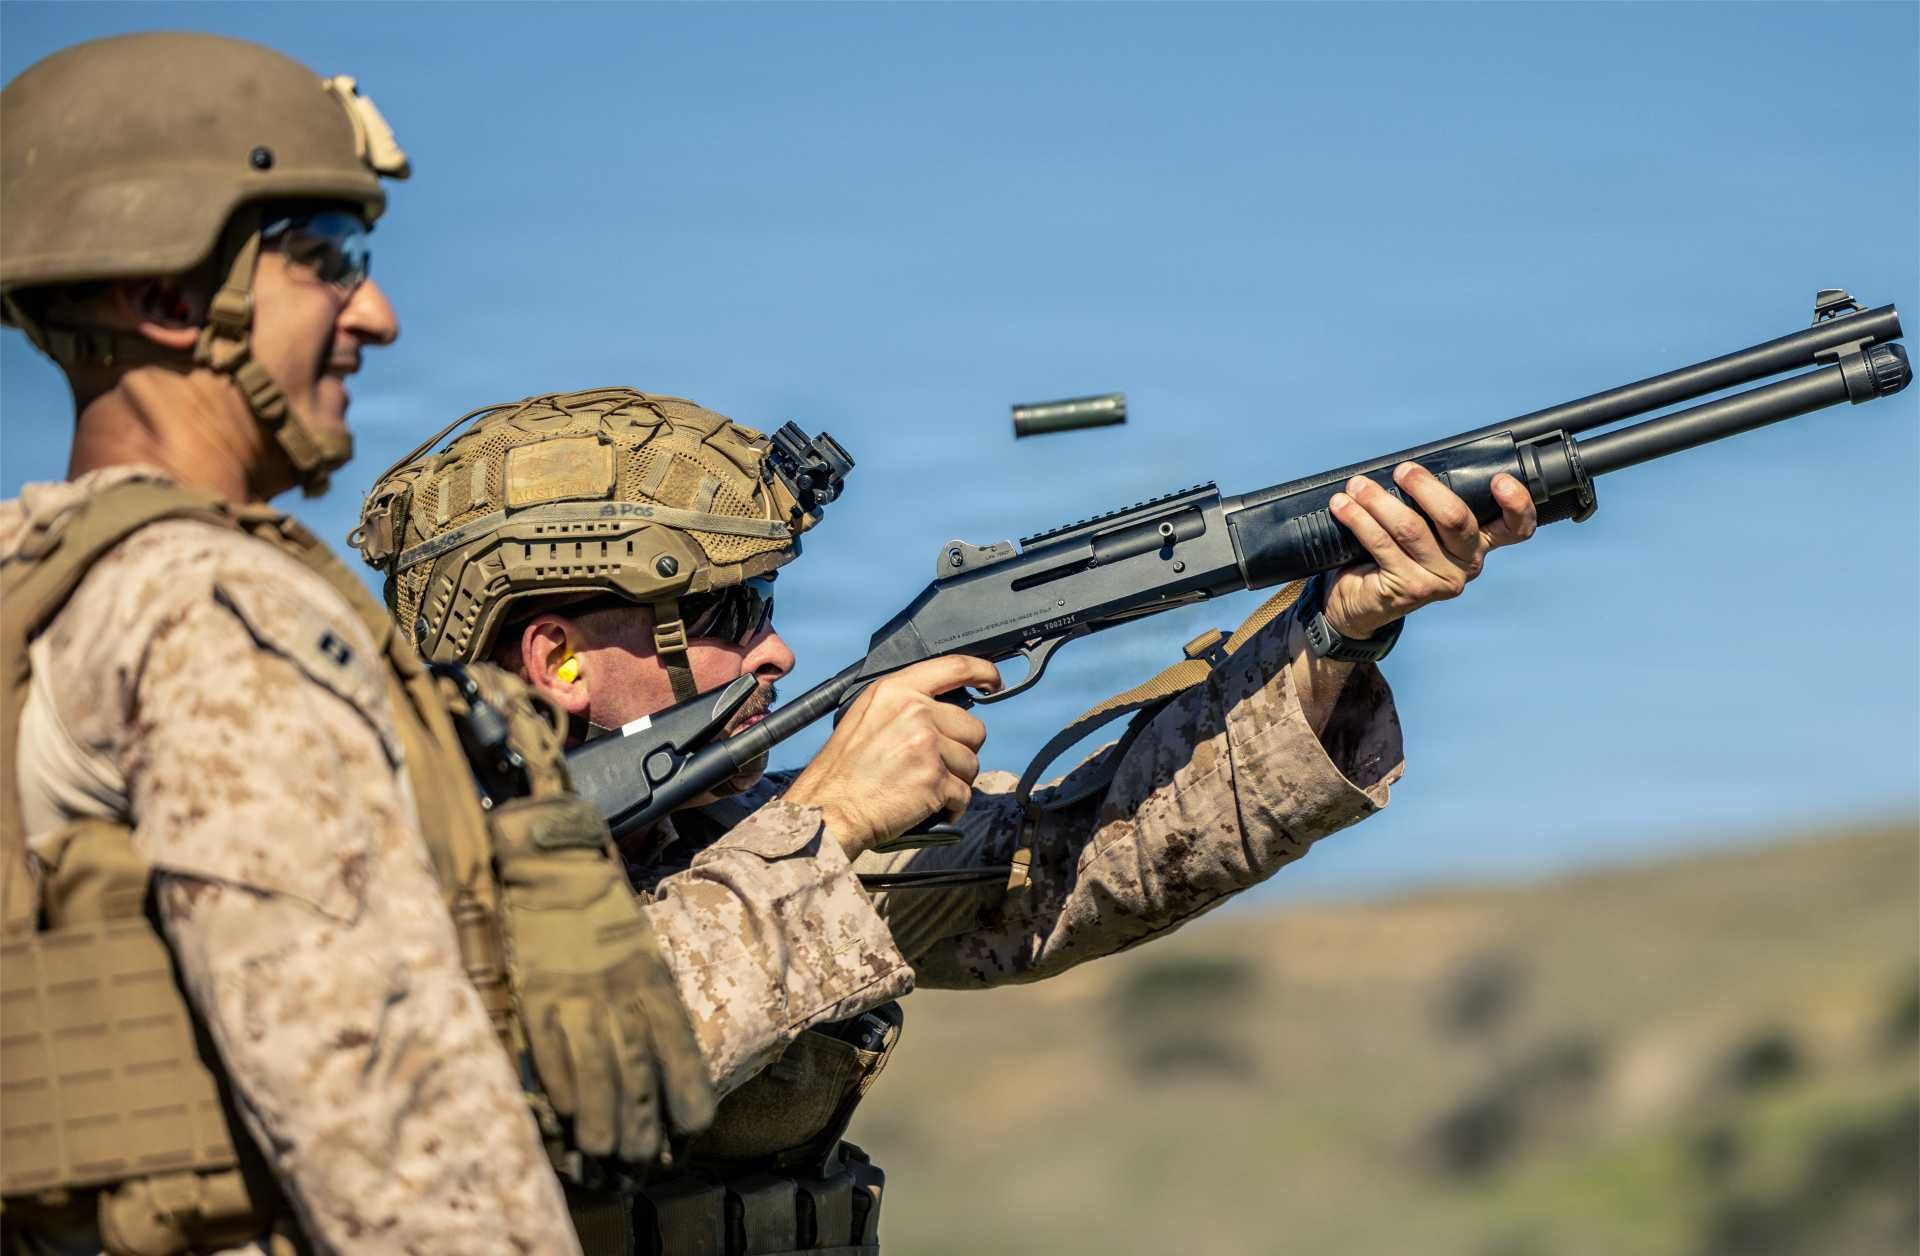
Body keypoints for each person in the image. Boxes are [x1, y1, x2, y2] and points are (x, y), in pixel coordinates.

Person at [357, 385, 1541, 1253]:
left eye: (767, 598)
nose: (774, 646)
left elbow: (1071, 873)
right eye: (723, 608)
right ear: (556, 658)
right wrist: (823, 820)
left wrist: (1334, 631)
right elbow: (544, 1077)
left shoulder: (731, 836)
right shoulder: (367, 880)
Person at [0, 34, 742, 1255]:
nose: (378, 316)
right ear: (170, 299)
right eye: (328, 263)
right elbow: (396, 1126)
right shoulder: (214, 617)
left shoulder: (47, 581)